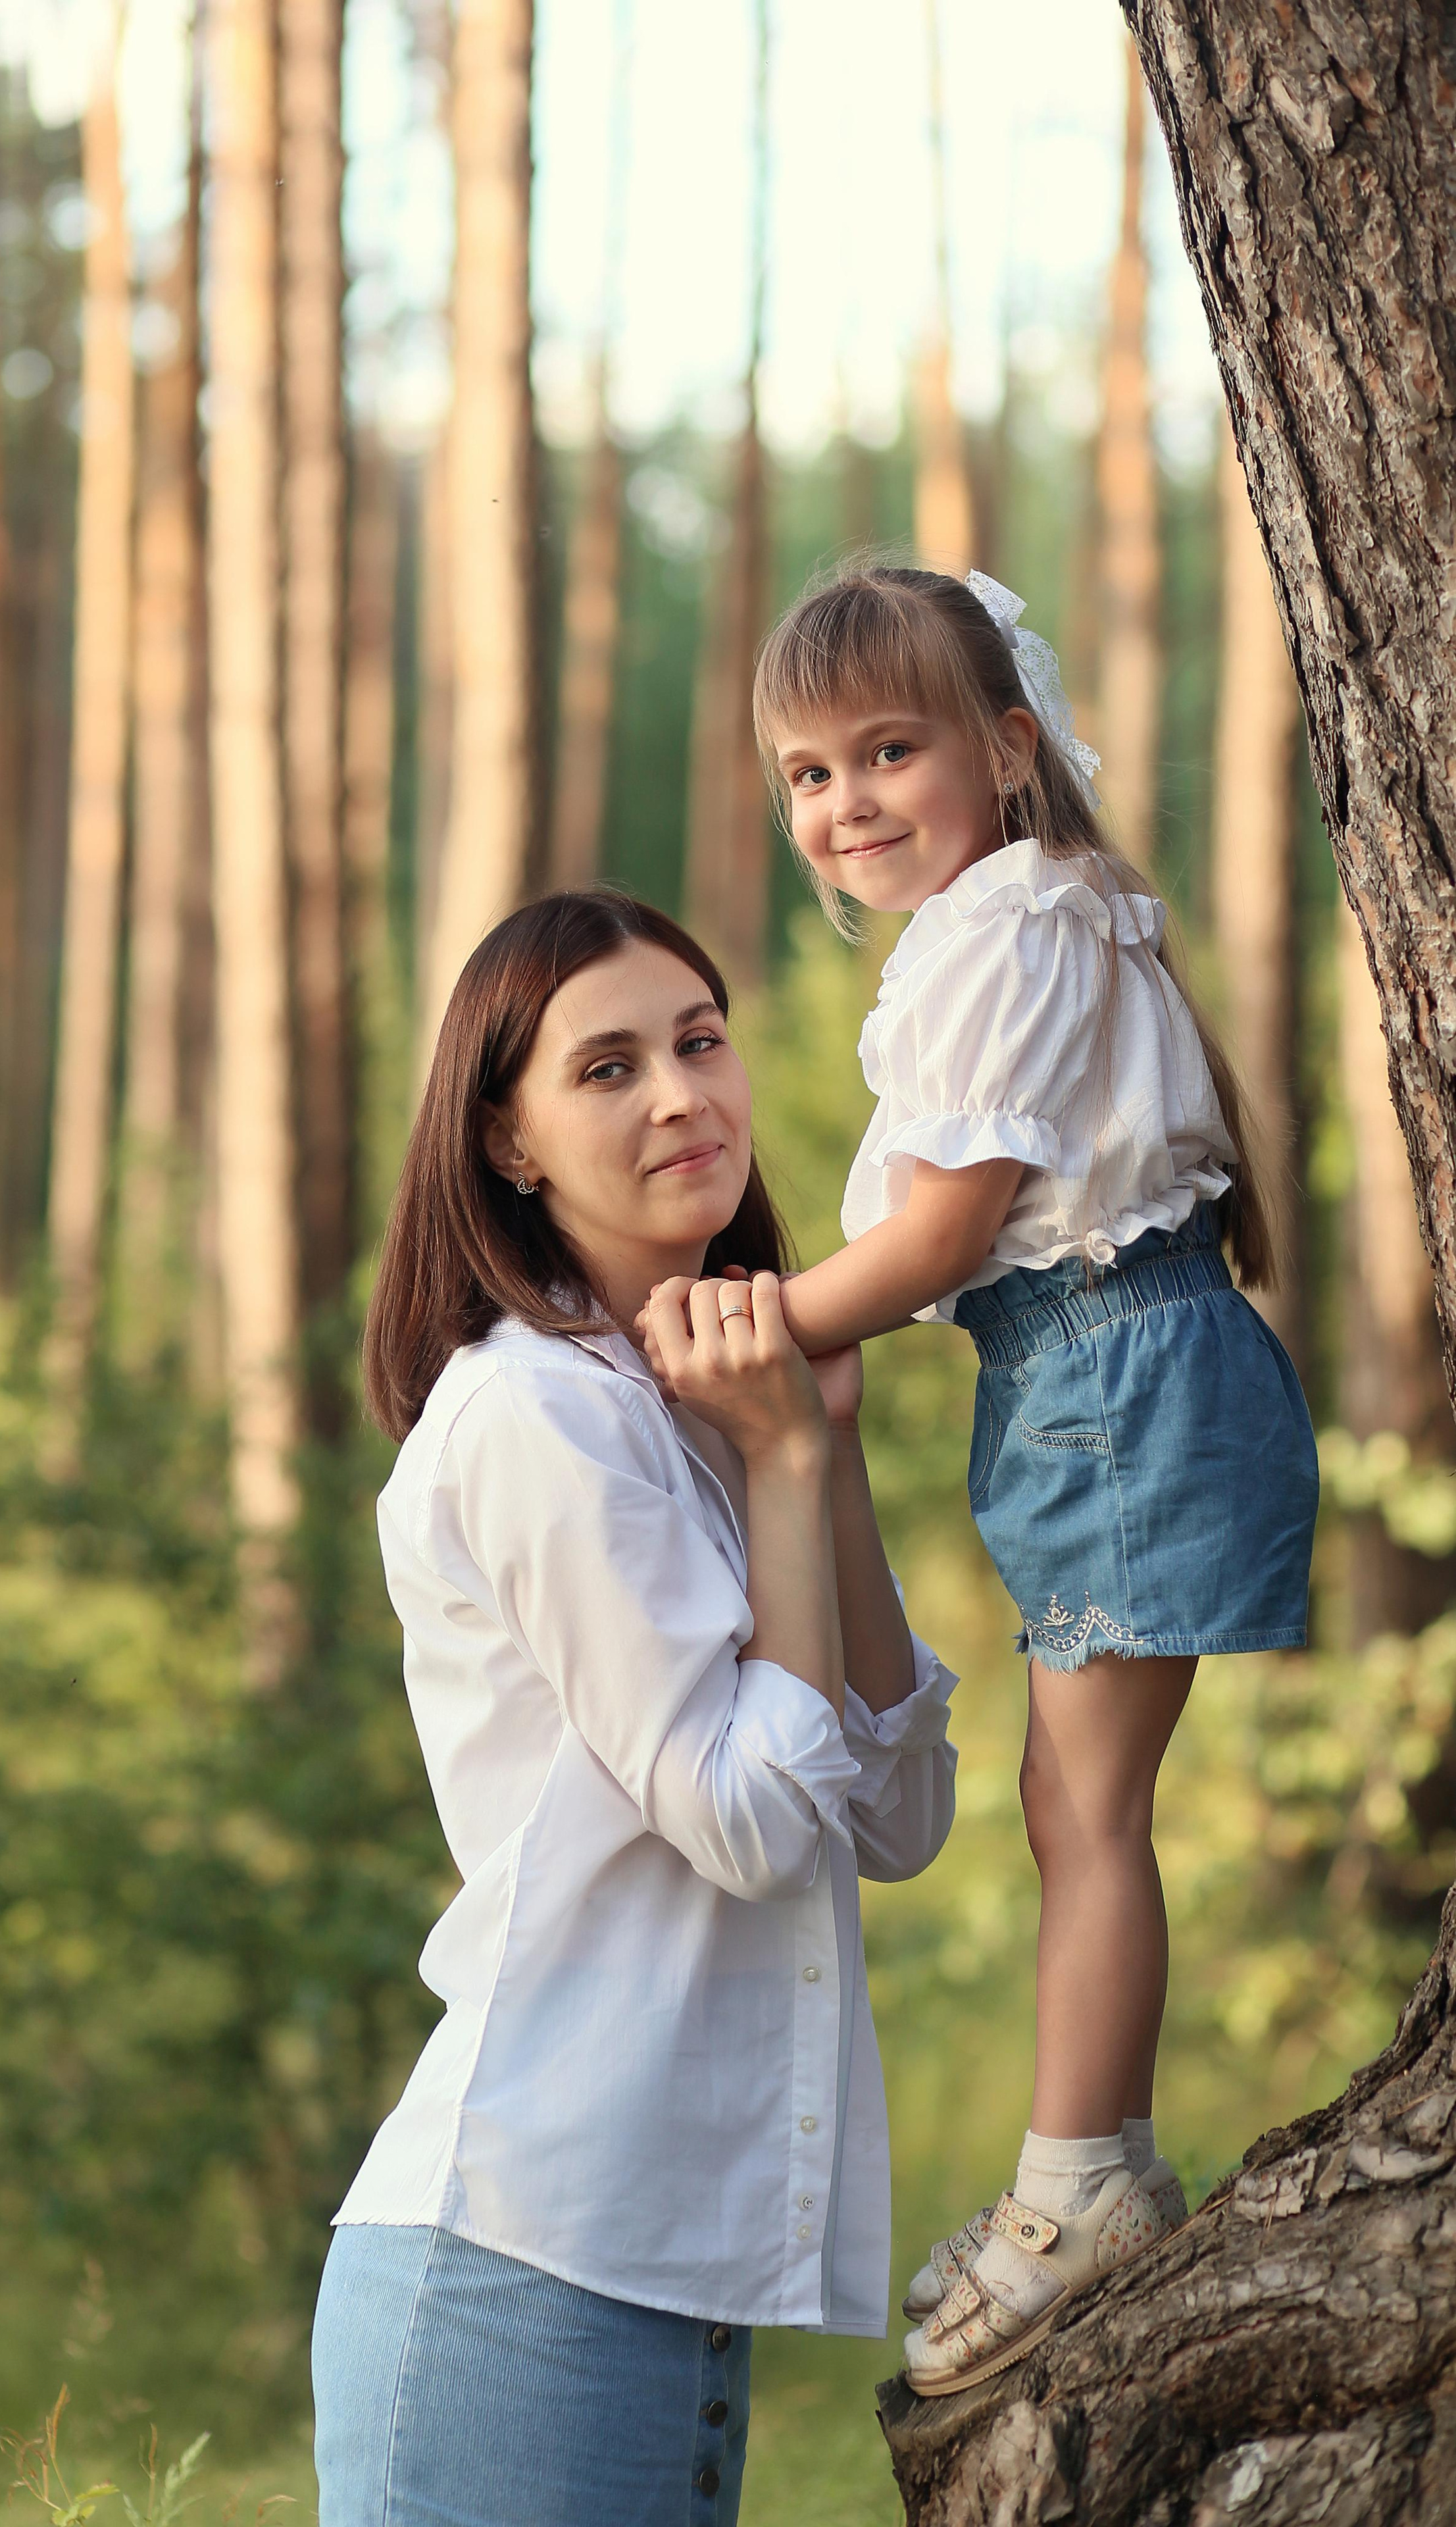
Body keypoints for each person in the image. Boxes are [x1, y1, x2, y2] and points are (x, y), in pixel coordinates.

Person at [730, 561, 1318, 2397]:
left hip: (1117, 1386)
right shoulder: (1025, 917)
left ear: (1005, 746)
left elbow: (946, 1232)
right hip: (1093, 1383)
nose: (848, 806)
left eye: (889, 750)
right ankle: (1099, 2167)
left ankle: (1077, 2195)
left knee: (1088, 1815)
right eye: (810, 776)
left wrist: (754, 1325)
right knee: (1071, 1806)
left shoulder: (1010, 929)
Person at [314, 890, 960, 2526]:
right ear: (509, 1144)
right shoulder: (534, 1415)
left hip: (658, 2284)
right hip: (520, 2275)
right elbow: (748, 1823)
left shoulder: (700, 1403)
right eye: (605, 1068)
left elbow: (894, 1814)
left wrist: (817, 1448)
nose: (681, 1094)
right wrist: (786, 1459)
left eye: (697, 1041)